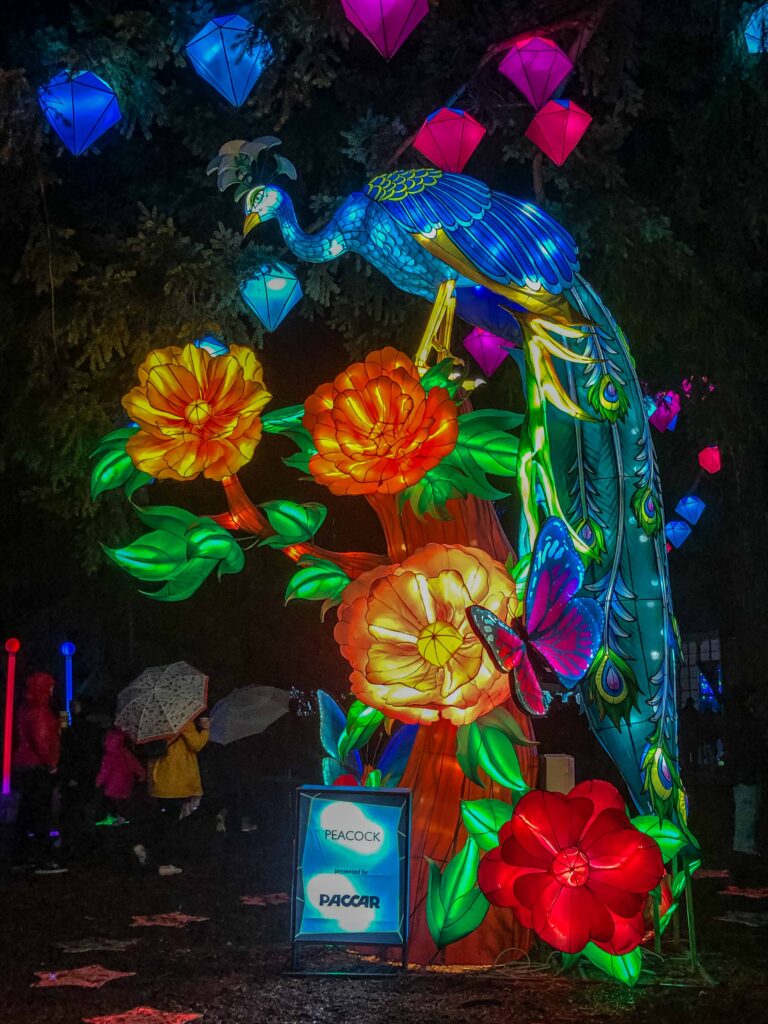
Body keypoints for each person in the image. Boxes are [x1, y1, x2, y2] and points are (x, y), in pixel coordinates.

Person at [137, 715, 209, 876]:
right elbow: (196, 744)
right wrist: (205, 730)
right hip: (177, 780)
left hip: (158, 779)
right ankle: (164, 860)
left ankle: (147, 847)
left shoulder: (154, 721)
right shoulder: (183, 719)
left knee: (163, 818)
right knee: (171, 822)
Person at [12, 672, 65, 874]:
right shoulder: (42, 710)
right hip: (37, 766)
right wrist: (51, 764)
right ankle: (44, 859)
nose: (52, 689)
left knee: (26, 812)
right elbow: (42, 741)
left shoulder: (26, 707)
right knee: (42, 811)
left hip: (24, 763)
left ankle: (22, 856)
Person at [95, 727, 145, 822]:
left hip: (113, 783)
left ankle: (116, 817)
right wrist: (142, 774)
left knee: (114, 801)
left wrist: (99, 781)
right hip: (126, 780)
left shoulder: (109, 755)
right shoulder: (125, 752)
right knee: (122, 801)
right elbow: (135, 764)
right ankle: (124, 817)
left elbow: (105, 771)